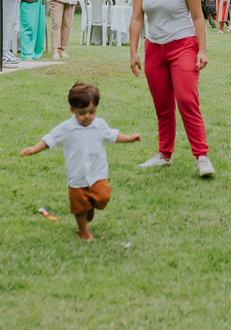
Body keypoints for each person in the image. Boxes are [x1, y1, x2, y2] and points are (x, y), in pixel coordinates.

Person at [129, 0, 214, 177]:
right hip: (154, 48)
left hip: (183, 46)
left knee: (187, 100)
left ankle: (202, 157)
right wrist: (133, 51)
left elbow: (198, 18)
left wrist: (202, 50)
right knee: (162, 106)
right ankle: (164, 155)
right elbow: (137, 17)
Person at [19, 82, 141, 241]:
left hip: (98, 173)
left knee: (103, 196)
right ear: (72, 109)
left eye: (92, 112)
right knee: (79, 206)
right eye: (82, 113)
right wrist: (34, 149)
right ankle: (82, 230)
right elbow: (50, 140)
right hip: (77, 176)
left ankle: (90, 206)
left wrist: (130, 138)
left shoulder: (99, 125)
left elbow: (112, 135)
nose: (88, 116)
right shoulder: (65, 129)